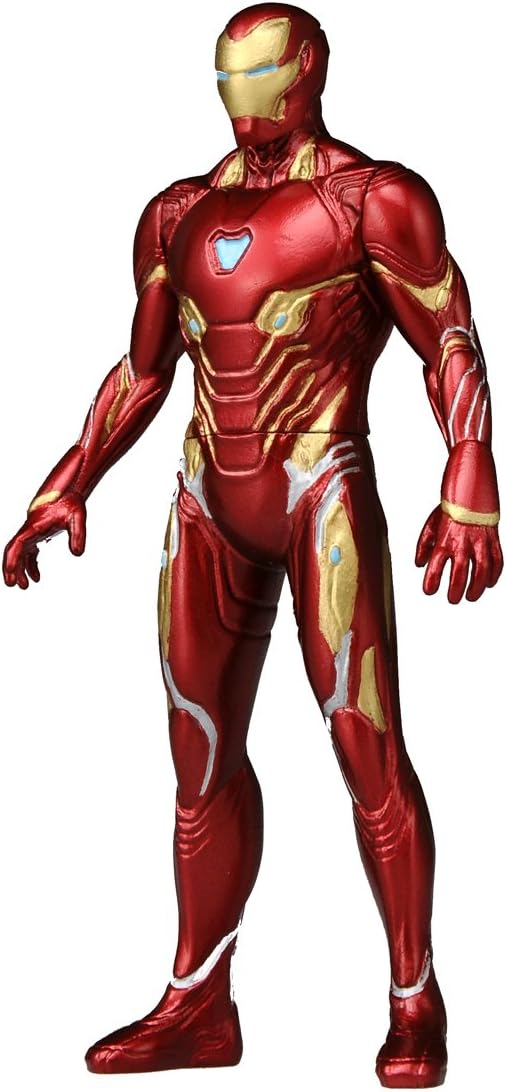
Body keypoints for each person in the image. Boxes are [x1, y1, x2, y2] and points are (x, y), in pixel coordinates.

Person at [3, 3, 502, 1086]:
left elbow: (447, 336)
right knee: (199, 759)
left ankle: (414, 1000)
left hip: (321, 489)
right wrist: (70, 478)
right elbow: (144, 370)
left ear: (306, 70)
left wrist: (470, 471)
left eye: (259, 72)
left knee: (366, 748)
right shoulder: (176, 213)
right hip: (206, 502)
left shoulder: (372, 199)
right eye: (224, 75)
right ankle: (199, 1004)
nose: (239, 96)